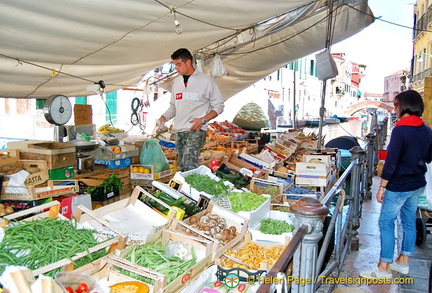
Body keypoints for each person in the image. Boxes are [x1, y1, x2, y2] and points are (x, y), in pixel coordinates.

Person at [360, 89, 432, 279]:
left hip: (399, 186)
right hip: (417, 184)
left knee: (385, 222)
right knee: (409, 222)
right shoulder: (426, 130)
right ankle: (403, 262)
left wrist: (382, 186)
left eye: (396, 105)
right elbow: (429, 157)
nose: (394, 109)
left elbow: (391, 163)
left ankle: (383, 267)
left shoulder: (400, 130)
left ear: (405, 106)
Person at [158, 48, 224, 171]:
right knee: (183, 166)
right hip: (179, 131)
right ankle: (187, 188)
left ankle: (192, 189)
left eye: (178, 64)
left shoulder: (206, 81)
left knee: (189, 163)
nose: (176, 68)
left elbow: (219, 106)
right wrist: (164, 117)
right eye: (174, 65)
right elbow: (173, 106)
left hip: (196, 130)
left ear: (188, 62)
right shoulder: (176, 83)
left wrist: (203, 120)